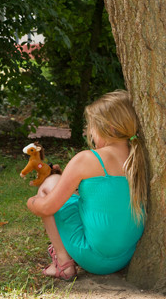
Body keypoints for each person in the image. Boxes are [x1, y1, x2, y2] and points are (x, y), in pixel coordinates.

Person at [27, 90, 147, 281]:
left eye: (91, 127)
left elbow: (48, 206)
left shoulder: (87, 159)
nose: (89, 132)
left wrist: (32, 202)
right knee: (63, 188)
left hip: (93, 257)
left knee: (49, 184)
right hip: (124, 257)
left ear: (108, 127)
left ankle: (63, 263)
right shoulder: (140, 157)